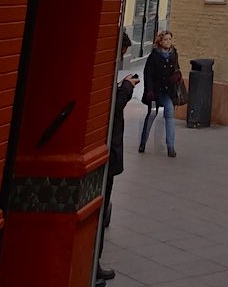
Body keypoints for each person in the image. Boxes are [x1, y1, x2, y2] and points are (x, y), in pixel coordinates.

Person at [97, 30, 139, 284]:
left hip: (107, 151)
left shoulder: (105, 69)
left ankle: (94, 263)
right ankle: (94, 265)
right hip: (106, 151)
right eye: (122, 53)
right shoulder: (104, 69)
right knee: (100, 210)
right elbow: (112, 106)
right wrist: (124, 88)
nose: (122, 59)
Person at [138, 30, 181, 158]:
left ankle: (171, 146)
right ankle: (143, 142)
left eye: (170, 39)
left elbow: (177, 68)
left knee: (169, 115)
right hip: (155, 91)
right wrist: (149, 90)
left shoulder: (174, 54)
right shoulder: (154, 55)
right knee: (151, 114)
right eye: (165, 40)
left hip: (168, 90)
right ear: (160, 42)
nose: (168, 42)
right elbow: (148, 73)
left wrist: (177, 76)